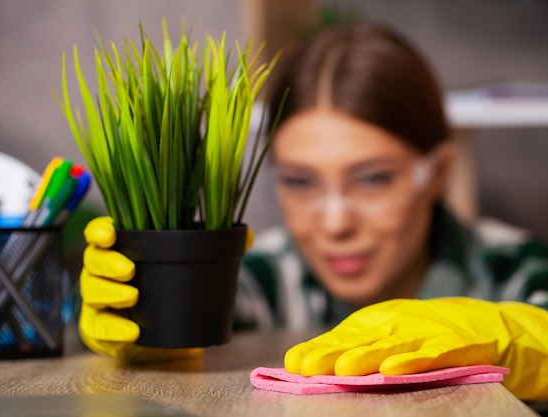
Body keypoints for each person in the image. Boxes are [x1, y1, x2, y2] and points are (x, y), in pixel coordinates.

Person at [79, 22, 548, 401]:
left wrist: (513, 337)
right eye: (301, 182)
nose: (334, 223)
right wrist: (155, 322)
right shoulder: (256, 283)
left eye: (372, 178)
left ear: (439, 172)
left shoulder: (514, 269)